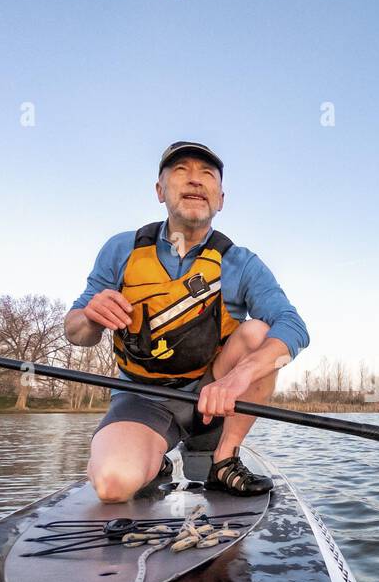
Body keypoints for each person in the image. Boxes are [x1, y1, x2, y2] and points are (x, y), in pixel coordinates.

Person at [64, 141, 308, 502]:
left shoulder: (241, 263)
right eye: (181, 171)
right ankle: (153, 457)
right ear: (160, 191)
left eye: (207, 174)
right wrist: (90, 317)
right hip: (143, 398)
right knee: (113, 484)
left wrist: (238, 378)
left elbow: (294, 327)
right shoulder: (121, 249)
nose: (195, 181)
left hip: (216, 398)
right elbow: (75, 333)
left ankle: (224, 459)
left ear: (221, 198)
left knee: (260, 332)